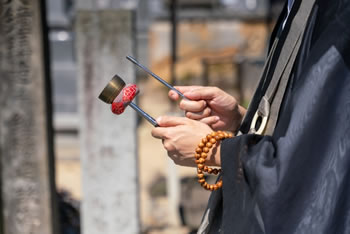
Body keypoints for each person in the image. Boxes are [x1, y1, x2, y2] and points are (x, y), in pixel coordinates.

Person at [152, 0, 350, 233]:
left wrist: (214, 149)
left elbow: (311, 168)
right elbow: (309, 125)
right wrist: (243, 120)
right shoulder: (301, 6)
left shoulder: (340, 13)